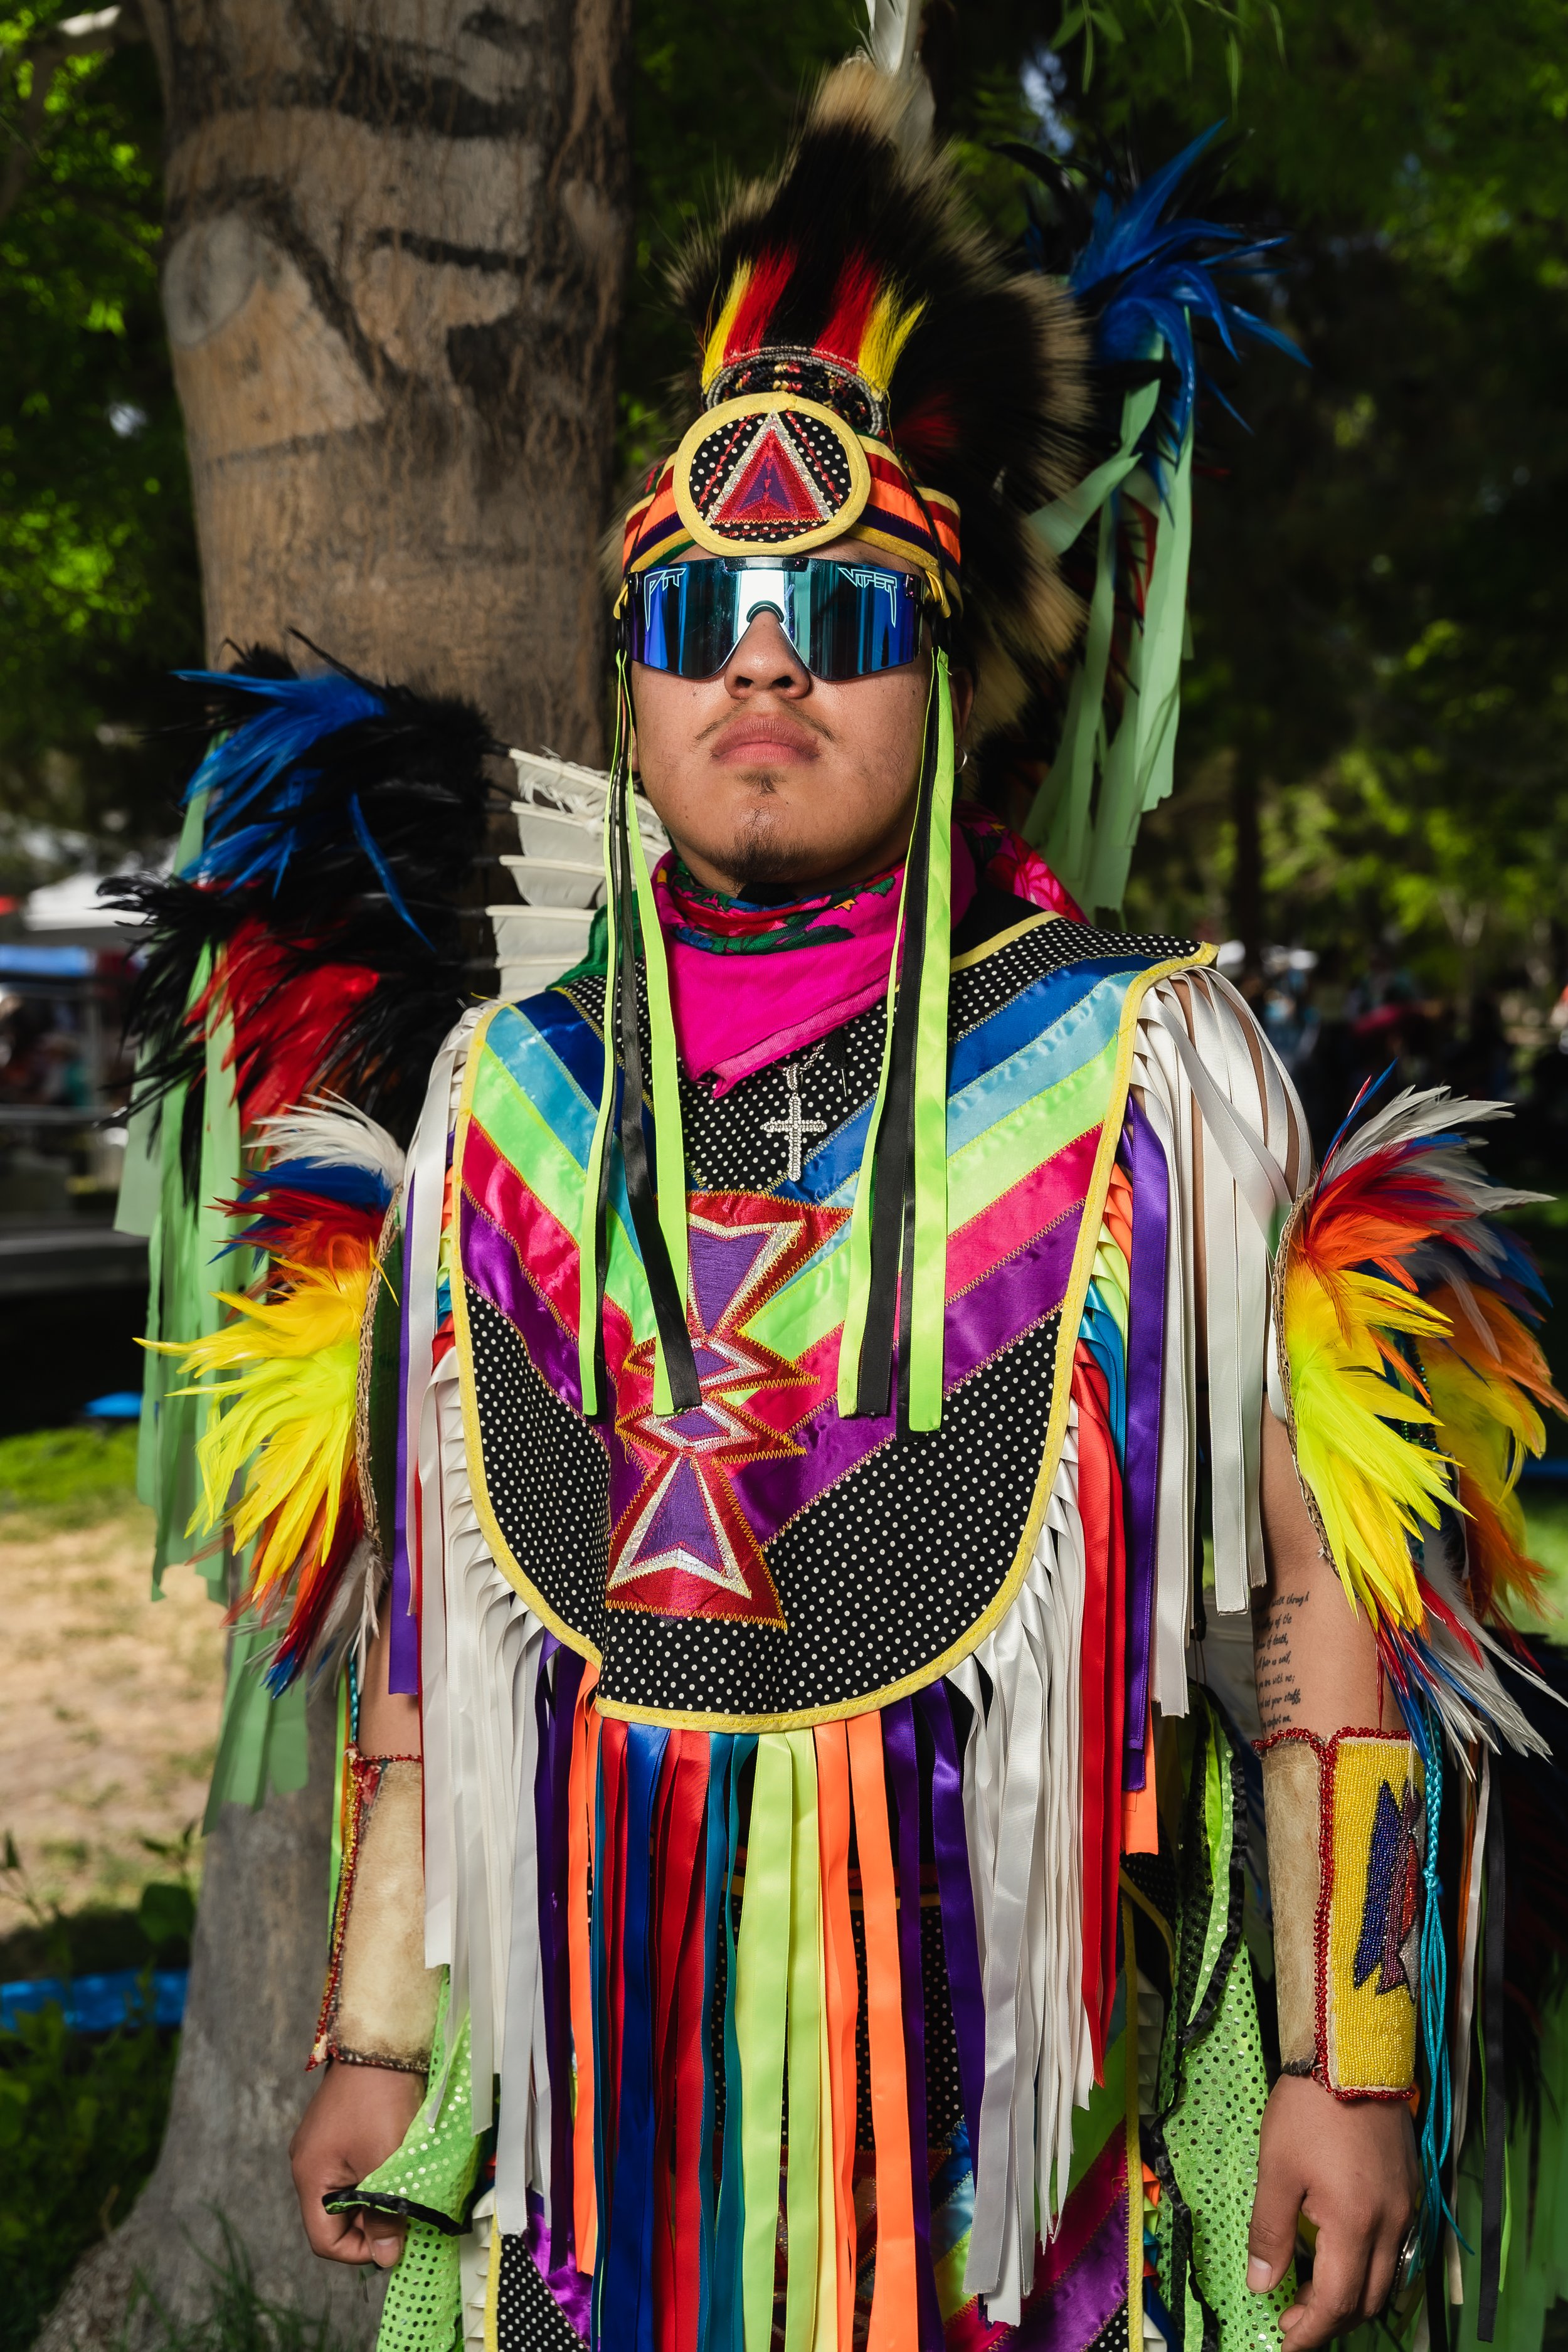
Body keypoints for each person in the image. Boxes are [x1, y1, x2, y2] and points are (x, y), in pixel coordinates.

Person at [129, 33, 1560, 2352]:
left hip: (1028, 2208)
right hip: (598, 2176)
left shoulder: (1151, 1068)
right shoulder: (504, 1098)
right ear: (636, 669)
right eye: (700, 616)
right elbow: (429, 1625)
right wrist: (376, 2040)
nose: (769, 658)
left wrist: (1344, 2059)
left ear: (950, 659)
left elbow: (1321, 1594)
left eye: (846, 611)